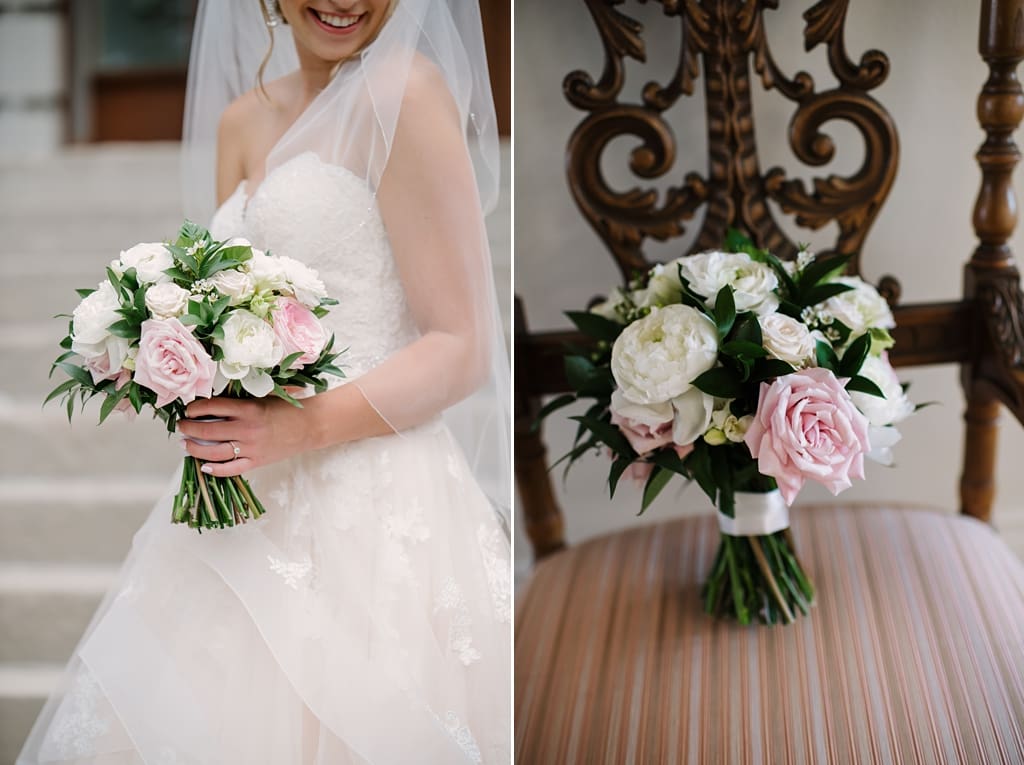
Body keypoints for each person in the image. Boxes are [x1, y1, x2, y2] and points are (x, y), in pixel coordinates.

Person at [17, 0, 511, 762]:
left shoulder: (402, 95)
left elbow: (462, 344)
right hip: (241, 503)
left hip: (374, 503)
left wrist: (303, 426)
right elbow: (221, 288)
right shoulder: (241, 122)